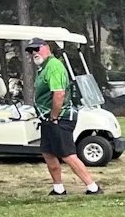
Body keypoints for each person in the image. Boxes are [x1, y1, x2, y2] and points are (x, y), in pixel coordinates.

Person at [28, 40, 100, 197]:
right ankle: (58, 188)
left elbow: (59, 93)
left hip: (59, 118)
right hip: (47, 119)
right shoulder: (44, 68)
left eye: (36, 49)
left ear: (47, 48)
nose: (34, 53)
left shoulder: (53, 66)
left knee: (67, 154)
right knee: (48, 153)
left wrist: (54, 116)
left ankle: (93, 187)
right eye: (30, 51)